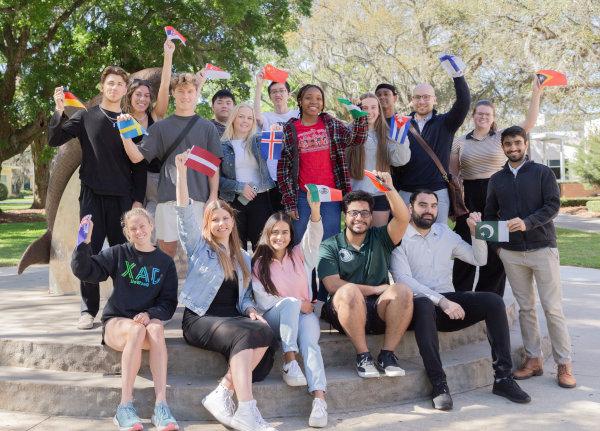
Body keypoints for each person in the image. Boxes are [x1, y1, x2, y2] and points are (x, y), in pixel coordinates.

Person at [390, 190, 531, 411]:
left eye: (434, 206)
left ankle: (503, 379)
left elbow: (479, 259)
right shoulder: (399, 237)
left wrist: (476, 234)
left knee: (494, 301)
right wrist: (442, 302)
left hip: (449, 304)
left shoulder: (444, 234)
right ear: (410, 208)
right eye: (423, 205)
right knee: (425, 305)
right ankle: (439, 385)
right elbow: (403, 280)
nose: (429, 210)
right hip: (418, 307)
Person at [174, 151, 277, 431]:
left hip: (231, 319)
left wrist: (252, 310)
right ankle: (246, 409)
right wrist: (182, 174)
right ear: (208, 224)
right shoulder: (199, 247)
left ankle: (222, 391)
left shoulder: (243, 256)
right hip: (200, 318)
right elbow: (184, 213)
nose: (222, 223)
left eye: (225, 218)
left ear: (232, 222)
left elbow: (243, 298)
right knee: (245, 334)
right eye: (215, 219)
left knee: (266, 330)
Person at [49, 66, 146, 330]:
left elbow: (140, 165)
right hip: (91, 197)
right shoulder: (85, 117)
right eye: (110, 83)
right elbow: (54, 138)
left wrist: (138, 200)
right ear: (102, 87)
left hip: (122, 199)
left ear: (125, 90)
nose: (114, 88)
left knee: (124, 254)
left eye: (119, 84)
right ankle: (88, 310)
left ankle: (123, 306)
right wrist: (59, 109)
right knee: (87, 250)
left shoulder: (130, 122)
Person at [485, 126, 576, 389]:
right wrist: (498, 249)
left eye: (517, 143)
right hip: (511, 255)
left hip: (542, 249)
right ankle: (533, 359)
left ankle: (564, 364)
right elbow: (490, 215)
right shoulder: (496, 179)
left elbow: (553, 206)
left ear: (525, 144)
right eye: (508, 144)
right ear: (502, 147)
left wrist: (527, 223)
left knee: (552, 308)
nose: (513, 148)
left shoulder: (542, 173)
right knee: (525, 309)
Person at [71, 208, 179, 431]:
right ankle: (124, 407)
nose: (138, 231)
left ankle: (161, 406)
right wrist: (84, 242)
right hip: (117, 324)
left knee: (156, 330)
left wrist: (150, 314)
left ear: (151, 225)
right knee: (136, 330)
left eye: (142, 226)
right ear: (127, 233)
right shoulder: (119, 253)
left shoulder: (165, 263)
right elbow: (86, 271)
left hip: (146, 324)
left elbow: (168, 303)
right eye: (133, 228)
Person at [450, 78, 544, 296]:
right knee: (467, 243)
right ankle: (462, 296)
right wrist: (455, 204)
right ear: (473, 116)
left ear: (493, 118)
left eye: (487, 114)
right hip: (470, 197)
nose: (483, 117)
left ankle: (488, 299)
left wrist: (536, 93)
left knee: (493, 248)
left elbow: (529, 123)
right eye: (479, 113)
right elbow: (453, 175)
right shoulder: (460, 141)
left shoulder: (502, 137)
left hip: (497, 195)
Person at [318, 173, 413, 379]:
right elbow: (333, 285)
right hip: (343, 310)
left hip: (377, 308)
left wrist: (389, 188)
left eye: (364, 213)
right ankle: (363, 356)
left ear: (371, 216)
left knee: (403, 291)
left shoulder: (381, 237)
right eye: (353, 213)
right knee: (349, 290)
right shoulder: (330, 245)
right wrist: (377, 289)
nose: (359, 217)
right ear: (345, 215)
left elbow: (403, 218)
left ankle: (387, 355)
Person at [119, 73, 222, 259]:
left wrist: (213, 197)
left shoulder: (208, 128)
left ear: (197, 93)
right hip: (167, 199)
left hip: (198, 199)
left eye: (190, 91)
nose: (186, 96)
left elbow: (213, 167)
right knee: (167, 253)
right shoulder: (160, 128)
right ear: (173, 93)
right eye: (181, 91)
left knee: (200, 253)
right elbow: (136, 158)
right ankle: (167, 289)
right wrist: (124, 134)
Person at [252, 197, 328, 428]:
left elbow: (314, 236)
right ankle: (289, 362)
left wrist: (315, 212)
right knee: (292, 303)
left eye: (285, 232)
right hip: (274, 319)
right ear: (267, 233)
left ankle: (319, 400)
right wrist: (296, 303)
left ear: (291, 235)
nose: (280, 237)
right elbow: (262, 299)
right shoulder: (258, 262)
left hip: (304, 316)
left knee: (311, 345)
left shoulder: (300, 254)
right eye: (275, 232)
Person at [278, 84, 368, 255]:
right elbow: (283, 169)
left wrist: (359, 117)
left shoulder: (331, 124)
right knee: (302, 247)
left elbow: (356, 140)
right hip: (303, 197)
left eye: (319, 98)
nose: (314, 102)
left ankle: (327, 282)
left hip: (330, 196)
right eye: (308, 98)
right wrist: (290, 202)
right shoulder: (290, 129)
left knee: (329, 247)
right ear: (300, 101)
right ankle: (306, 282)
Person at [393, 73, 471, 224]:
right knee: (405, 239)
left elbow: (464, 102)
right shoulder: (400, 124)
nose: (421, 101)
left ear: (434, 100)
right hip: (406, 193)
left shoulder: (446, 123)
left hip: (437, 192)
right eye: (417, 97)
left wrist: (457, 76)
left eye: (426, 97)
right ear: (412, 100)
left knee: (437, 238)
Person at [123, 39, 176, 228]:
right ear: (130, 96)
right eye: (138, 94)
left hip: (156, 180)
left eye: (146, 95)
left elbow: (164, 89)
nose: (143, 99)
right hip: (133, 182)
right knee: (135, 226)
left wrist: (168, 56)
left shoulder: (155, 116)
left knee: (155, 226)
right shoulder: (124, 121)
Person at [347, 93, 411, 226]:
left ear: (379, 110)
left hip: (379, 194)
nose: (369, 112)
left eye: (373, 107)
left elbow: (400, 160)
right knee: (358, 238)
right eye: (365, 108)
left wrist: (401, 136)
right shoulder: (349, 131)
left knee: (377, 238)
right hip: (355, 195)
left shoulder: (388, 133)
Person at [219, 103, 275, 250]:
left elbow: (277, 160)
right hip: (234, 201)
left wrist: (276, 133)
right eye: (241, 117)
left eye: (250, 118)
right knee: (236, 247)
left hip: (261, 199)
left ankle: (260, 274)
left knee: (262, 247)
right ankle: (240, 273)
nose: (245, 121)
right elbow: (216, 180)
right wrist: (240, 187)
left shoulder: (260, 140)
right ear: (233, 119)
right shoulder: (222, 146)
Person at [253, 72, 299, 211]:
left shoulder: (297, 114)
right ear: (270, 96)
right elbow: (255, 116)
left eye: (281, 90)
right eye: (274, 92)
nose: (278, 94)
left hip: (297, 175)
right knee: (279, 217)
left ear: (289, 94)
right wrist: (259, 85)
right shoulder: (266, 117)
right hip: (275, 177)